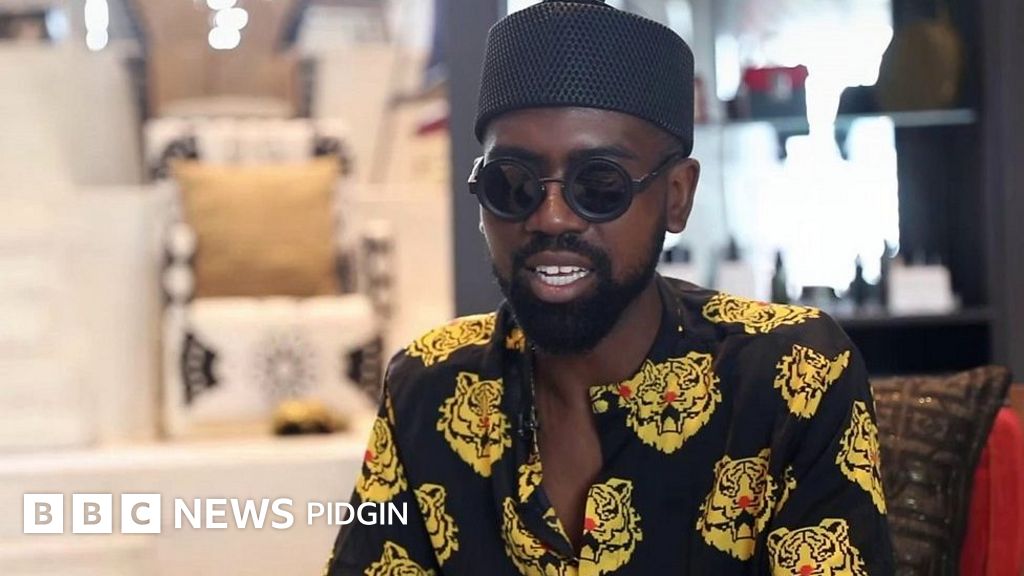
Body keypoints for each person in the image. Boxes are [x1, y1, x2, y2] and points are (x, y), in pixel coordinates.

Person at [324, 1, 894, 574]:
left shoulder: (792, 376)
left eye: (599, 184)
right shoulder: (431, 385)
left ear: (676, 196)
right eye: (512, 183)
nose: (550, 217)